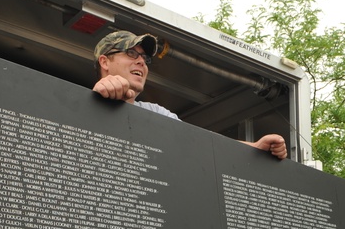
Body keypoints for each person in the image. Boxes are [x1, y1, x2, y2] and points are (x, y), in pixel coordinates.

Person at [92, 31, 288, 160]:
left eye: (145, 58)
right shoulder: (81, 103)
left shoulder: (155, 113)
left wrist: (254, 147)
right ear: (105, 62)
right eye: (132, 54)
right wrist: (99, 99)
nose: (141, 62)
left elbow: (201, 142)